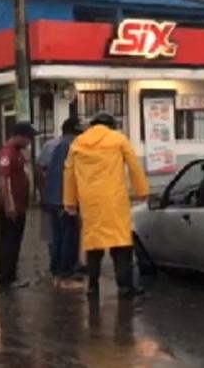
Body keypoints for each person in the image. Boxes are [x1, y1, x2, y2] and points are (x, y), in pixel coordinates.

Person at [63, 112, 150, 299]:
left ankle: (93, 287)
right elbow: (134, 165)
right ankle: (125, 287)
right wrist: (142, 190)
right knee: (120, 245)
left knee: (94, 246)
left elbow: (68, 173)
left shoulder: (78, 143)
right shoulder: (118, 140)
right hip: (114, 200)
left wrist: (69, 201)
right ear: (111, 125)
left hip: (90, 203)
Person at [41, 117, 84, 290]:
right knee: (69, 238)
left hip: (54, 199)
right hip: (66, 200)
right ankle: (66, 276)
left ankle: (57, 274)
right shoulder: (73, 146)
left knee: (58, 238)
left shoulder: (58, 145)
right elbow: (72, 175)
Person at [0, 121, 37, 290]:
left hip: (20, 205)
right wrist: (9, 204)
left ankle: (10, 275)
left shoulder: (19, 153)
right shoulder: (7, 153)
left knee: (14, 241)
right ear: (19, 136)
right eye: (28, 138)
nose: (30, 142)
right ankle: (6, 278)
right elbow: (3, 180)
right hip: (11, 206)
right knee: (9, 242)